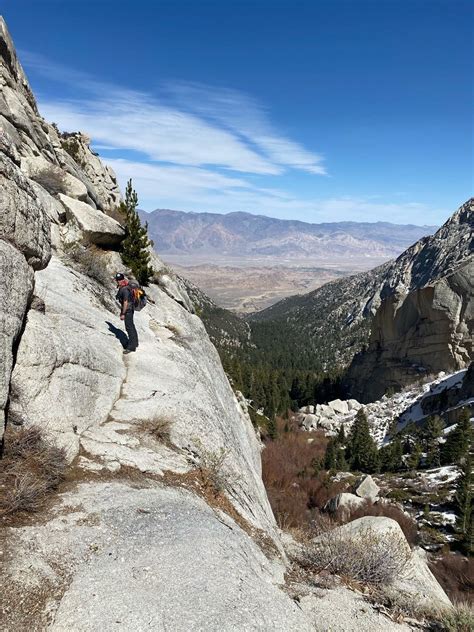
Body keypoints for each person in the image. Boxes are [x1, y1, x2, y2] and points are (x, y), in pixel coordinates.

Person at [115, 273, 138, 354]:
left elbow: (125, 302)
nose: (118, 282)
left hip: (127, 311)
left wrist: (123, 313)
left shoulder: (125, 289)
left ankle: (131, 347)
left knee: (129, 328)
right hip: (130, 309)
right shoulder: (126, 287)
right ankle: (135, 343)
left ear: (123, 280)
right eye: (117, 280)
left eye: (120, 280)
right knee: (131, 326)